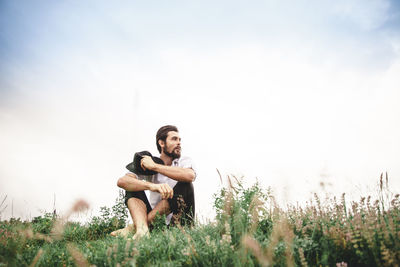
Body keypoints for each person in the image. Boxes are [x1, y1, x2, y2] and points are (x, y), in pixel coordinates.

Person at [111, 125, 196, 239]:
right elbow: (122, 181)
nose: (179, 143)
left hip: (179, 224)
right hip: (156, 224)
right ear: (161, 143)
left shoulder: (184, 161)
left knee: (185, 184)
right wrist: (152, 186)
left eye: (179, 140)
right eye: (174, 139)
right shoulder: (148, 163)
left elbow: (189, 175)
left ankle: (134, 227)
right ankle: (142, 230)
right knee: (133, 186)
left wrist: (155, 166)